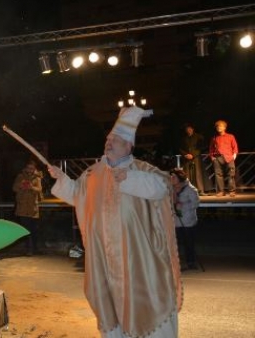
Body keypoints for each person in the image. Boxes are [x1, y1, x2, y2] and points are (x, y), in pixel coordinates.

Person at [47, 106, 182, 338]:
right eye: (109, 139)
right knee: (110, 312)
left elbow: (162, 188)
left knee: (145, 309)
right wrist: (62, 179)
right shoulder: (92, 174)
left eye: (117, 140)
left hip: (139, 261)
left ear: (129, 145)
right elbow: (78, 194)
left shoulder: (143, 170)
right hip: (104, 262)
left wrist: (130, 179)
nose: (110, 143)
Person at [170, 168, 200, 271]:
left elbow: (195, 203)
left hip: (187, 221)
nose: (171, 178)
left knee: (188, 243)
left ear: (179, 178)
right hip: (175, 221)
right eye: (171, 176)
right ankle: (176, 264)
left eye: (174, 176)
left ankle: (191, 262)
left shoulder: (190, 189)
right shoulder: (171, 189)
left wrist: (182, 206)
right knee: (175, 243)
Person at [12, 159, 43, 256]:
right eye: (28, 168)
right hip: (22, 207)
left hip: (33, 207)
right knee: (26, 229)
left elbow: (39, 189)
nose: (30, 170)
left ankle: (36, 249)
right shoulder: (20, 176)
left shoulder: (37, 178)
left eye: (32, 168)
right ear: (25, 168)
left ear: (35, 169)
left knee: (34, 230)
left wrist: (31, 187)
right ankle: (29, 250)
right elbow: (14, 188)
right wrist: (21, 185)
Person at [208, 119, 239, 197]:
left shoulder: (230, 136)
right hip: (218, 158)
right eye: (217, 126)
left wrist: (234, 156)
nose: (219, 128)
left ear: (225, 127)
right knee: (218, 175)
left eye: (221, 126)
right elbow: (211, 148)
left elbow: (235, 147)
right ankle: (221, 191)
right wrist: (212, 157)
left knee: (231, 174)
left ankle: (232, 191)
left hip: (229, 157)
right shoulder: (215, 138)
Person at [179, 123, 206, 195]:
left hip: (196, 157)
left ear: (193, 129)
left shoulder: (199, 137)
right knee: (187, 174)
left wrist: (193, 155)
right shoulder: (184, 139)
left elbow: (201, 147)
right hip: (187, 158)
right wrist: (185, 155)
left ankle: (201, 190)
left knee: (198, 173)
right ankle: (189, 190)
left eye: (190, 128)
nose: (189, 130)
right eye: (187, 129)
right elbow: (180, 148)